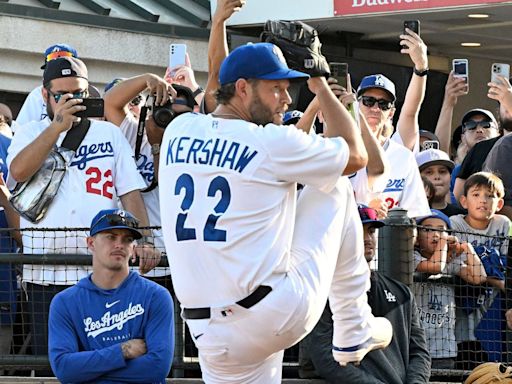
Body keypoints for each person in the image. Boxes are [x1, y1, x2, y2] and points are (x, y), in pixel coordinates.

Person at [159, 42, 392, 383]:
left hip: (207, 333)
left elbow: (213, 96)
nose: (286, 98)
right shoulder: (269, 141)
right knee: (335, 186)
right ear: (242, 88)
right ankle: (353, 325)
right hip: (271, 314)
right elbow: (357, 158)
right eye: (276, 88)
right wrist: (320, 84)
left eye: (288, 88)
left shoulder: (178, 130)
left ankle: (353, 326)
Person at [7, 56, 160, 361]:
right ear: (45, 95)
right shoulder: (29, 132)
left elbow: (130, 193)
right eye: (62, 95)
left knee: (108, 358)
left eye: (78, 93)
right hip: (47, 273)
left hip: (101, 272)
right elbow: (18, 172)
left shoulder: (109, 134)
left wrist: (145, 238)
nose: (71, 100)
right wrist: (56, 128)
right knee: (56, 363)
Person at [300, 205, 431, 384]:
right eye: (357, 230)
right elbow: (324, 359)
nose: (367, 238)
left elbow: (419, 352)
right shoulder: (321, 291)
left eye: (370, 231)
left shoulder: (402, 293)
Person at [48, 209, 174, 383]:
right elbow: (64, 368)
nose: (119, 244)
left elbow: (157, 368)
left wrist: (87, 372)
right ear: (91, 243)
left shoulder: (156, 296)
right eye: (111, 237)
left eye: (127, 239)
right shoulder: (65, 302)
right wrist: (123, 351)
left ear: (133, 248)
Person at [104, 73, 195, 282]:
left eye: (181, 116)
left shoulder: (194, 147)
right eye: (167, 112)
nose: (171, 120)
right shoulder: (134, 135)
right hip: (136, 258)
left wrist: (157, 147)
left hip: (176, 260)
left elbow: (168, 187)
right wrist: (147, 79)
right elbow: (110, 102)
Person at [450, 172, 511, 365]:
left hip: (492, 303)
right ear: (464, 201)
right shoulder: (454, 223)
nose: (482, 200)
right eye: (476, 194)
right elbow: (460, 265)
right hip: (461, 297)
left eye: (490, 195)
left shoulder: (503, 224)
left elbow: (504, 264)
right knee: (464, 348)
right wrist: (492, 276)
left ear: (499, 204)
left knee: (492, 353)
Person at [350, 73, 430, 219]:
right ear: (357, 104)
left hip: (388, 239)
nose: (375, 108)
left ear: (391, 112)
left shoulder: (403, 156)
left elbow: (415, 213)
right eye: (368, 101)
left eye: (383, 104)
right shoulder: (342, 147)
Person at [414, 209, 485, 369]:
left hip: (444, 349)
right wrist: (444, 241)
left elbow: (478, 277)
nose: (436, 234)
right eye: (427, 229)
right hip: (415, 348)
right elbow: (436, 266)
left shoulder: (450, 261)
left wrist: (466, 248)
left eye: (441, 230)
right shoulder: (412, 258)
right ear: (417, 239)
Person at [16, 43, 79, 127]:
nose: (58, 72)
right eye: (53, 69)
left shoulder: (87, 91)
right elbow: (21, 128)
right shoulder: (37, 94)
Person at [452, 109, 500, 202]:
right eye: (471, 126)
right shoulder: (457, 170)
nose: (479, 130)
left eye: (486, 124)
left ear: (498, 132)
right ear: (463, 138)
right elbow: (457, 202)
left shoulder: (508, 153)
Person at [416, 148, 465, 216]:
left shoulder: (461, 216)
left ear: (450, 178)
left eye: (442, 171)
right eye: (429, 172)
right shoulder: (410, 214)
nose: (437, 177)